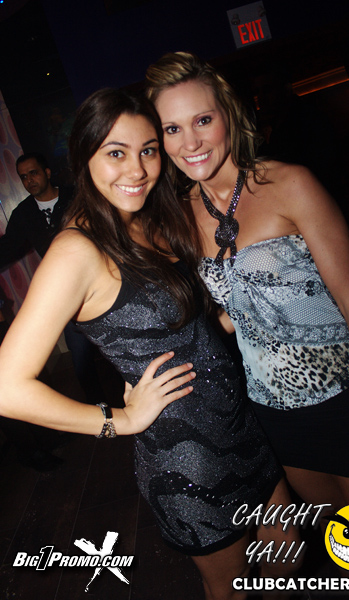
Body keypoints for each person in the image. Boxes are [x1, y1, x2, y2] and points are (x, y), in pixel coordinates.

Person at [0, 88, 299, 600]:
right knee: (233, 591)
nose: (136, 169)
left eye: (148, 150)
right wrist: (120, 420)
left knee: (287, 555)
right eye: (116, 152)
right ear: (83, 158)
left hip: (241, 425)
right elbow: (7, 387)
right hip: (189, 458)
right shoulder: (77, 249)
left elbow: (192, 326)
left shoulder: (149, 220)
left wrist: (247, 311)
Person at [145, 51, 349, 515]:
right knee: (336, 539)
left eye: (203, 120)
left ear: (229, 114)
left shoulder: (290, 185)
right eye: (172, 128)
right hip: (270, 414)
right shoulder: (179, 215)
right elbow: (231, 315)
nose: (190, 142)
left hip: (344, 400)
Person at [0, 152, 111, 409]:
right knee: (80, 359)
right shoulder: (24, 213)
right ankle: (100, 413)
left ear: (47, 172)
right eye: (23, 177)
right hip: (67, 296)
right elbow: (7, 248)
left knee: (119, 351)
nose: (29, 180)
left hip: (102, 285)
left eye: (33, 173)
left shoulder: (76, 196)